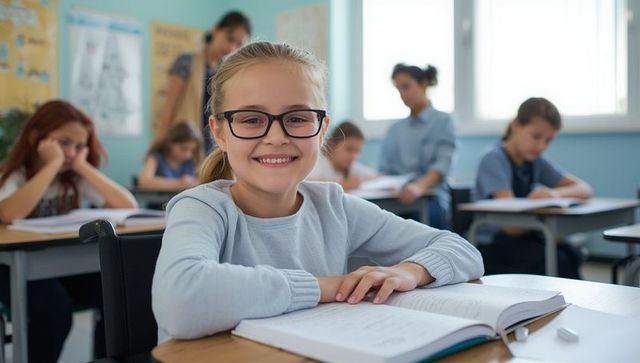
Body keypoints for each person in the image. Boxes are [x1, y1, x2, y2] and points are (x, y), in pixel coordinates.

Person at [151, 41, 484, 340]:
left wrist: (408, 271)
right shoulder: (201, 207)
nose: (276, 137)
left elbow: (461, 250)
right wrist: (326, 286)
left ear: (322, 130)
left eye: (297, 118)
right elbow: (180, 301)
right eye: (251, 119)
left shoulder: (334, 206)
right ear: (219, 133)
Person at [0, 100, 138, 361]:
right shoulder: (15, 174)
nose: (71, 153)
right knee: (54, 309)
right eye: (64, 143)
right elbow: (9, 214)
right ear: (36, 138)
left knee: (116, 295)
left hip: (58, 268)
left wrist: (81, 166)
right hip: (13, 269)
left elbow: (127, 205)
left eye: (78, 146)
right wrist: (52, 165)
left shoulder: (73, 179)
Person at [473, 97, 592, 278]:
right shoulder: (494, 159)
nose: (541, 146)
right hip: (493, 244)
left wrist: (553, 194)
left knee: (571, 253)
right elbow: (511, 225)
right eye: (536, 137)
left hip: (526, 235)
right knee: (556, 259)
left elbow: (584, 189)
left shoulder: (536, 161)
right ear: (516, 125)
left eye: (548, 140)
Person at [154, 11, 251, 152]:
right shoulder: (186, 62)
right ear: (216, 30)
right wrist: (157, 148)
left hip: (214, 144)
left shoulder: (226, 73)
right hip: (185, 142)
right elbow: (168, 109)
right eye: (229, 39)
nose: (232, 48)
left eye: (238, 44)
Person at [379, 63, 456, 229]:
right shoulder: (395, 129)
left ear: (423, 84)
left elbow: (442, 166)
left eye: (406, 86)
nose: (402, 94)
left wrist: (418, 187)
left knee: (426, 224)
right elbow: (384, 170)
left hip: (430, 197)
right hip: (395, 198)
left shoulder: (444, 122)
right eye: (398, 89)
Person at [308, 121, 378, 190]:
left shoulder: (351, 167)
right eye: (349, 149)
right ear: (332, 145)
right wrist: (343, 185)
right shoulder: (317, 164)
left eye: (358, 151)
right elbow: (306, 184)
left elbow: (376, 176)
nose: (354, 156)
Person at [138, 122, 202, 190]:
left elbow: (202, 181)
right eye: (183, 148)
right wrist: (178, 183)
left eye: (192, 150)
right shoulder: (156, 157)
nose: (188, 155)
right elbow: (144, 182)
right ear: (170, 143)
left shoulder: (192, 160)